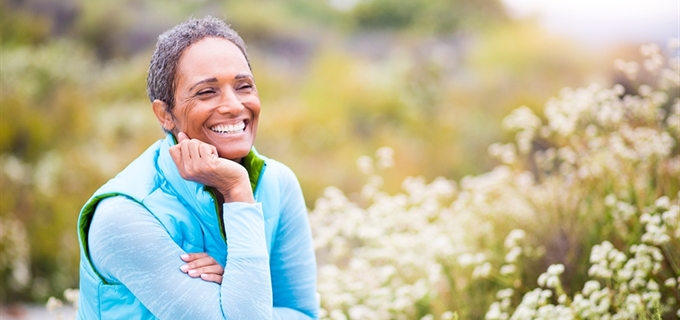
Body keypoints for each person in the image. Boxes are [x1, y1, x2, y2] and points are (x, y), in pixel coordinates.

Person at [76, 16, 319, 319]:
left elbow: (303, 313)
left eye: (244, 86)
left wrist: (232, 285)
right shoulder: (121, 216)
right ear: (165, 114)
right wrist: (237, 191)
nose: (233, 105)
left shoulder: (278, 184)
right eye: (207, 92)